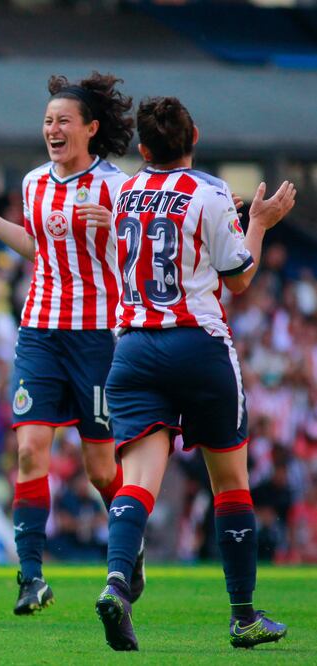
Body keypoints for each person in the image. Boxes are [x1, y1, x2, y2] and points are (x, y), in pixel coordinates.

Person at [95, 96, 295, 651]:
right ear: (195, 136)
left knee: (137, 483)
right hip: (197, 343)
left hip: (133, 348)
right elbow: (239, 280)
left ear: (142, 148)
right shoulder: (208, 194)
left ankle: (117, 582)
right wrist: (257, 223)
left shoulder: (124, 192)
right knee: (230, 481)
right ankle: (243, 615)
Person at [0, 72, 136, 615]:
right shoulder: (34, 183)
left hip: (99, 335)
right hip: (40, 332)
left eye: (63, 121)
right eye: (48, 120)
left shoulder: (118, 187)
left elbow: (143, 259)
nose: (52, 129)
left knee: (102, 469)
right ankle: (31, 577)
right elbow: (34, 245)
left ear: (91, 129)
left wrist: (119, 227)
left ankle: (129, 547)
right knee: (29, 450)